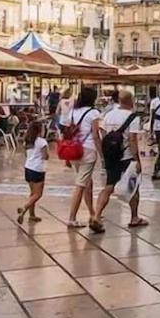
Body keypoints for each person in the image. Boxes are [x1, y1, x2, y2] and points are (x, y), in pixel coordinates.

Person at [90, 89, 147, 233]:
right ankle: (134, 217)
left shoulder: (108, 115)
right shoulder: (133, 117)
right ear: (130, 101)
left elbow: (102, 135)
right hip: (126, 156)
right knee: (133, 187)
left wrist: (105, 154)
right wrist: (137, 159)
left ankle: (96, 215)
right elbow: (133, 140)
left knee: (108, 186)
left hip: (111, 156)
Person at [64, 87, 101, 229]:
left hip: (74, 150)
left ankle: (92, 212)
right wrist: (102, 155)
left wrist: (67, 157)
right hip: (88, 150)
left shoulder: (73, 111)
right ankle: (72, 218)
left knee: (86, 182)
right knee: (80, 185)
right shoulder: (93, 113)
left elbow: (67, 133)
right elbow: (96, 135)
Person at [18, 120, 48, 223]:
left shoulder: (28, 140)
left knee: (32, 193)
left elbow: (26, 154)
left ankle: (32, 214)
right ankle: (24, 207)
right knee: (38, 194)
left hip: (28, 168)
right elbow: (45, 156)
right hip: (38, 169)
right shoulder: (42, 141)